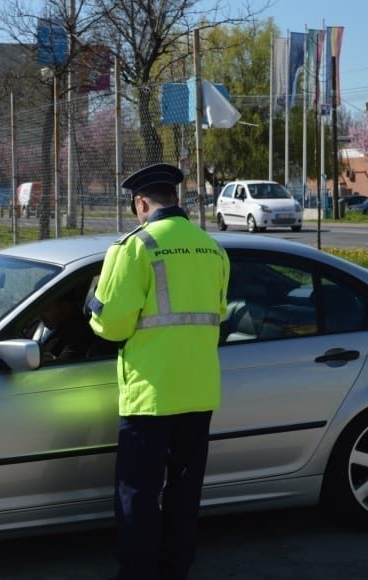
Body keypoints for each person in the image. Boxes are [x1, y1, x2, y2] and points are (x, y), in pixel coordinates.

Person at [87, 163, 230, 580]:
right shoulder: (212, 248)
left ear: (141, 203)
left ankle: (137, 573)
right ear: (175, 200)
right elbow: (217, 313)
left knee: (138, 495)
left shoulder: (134, 248)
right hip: (199, 393)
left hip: (150, 398)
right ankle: (176, 569)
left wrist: (92, 305)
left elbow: (111, 326)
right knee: (185, 494)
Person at [38, 290, 94, 362]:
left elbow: (62, 367)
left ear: (66, 305)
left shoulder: (79, 333)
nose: (40, 315)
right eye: (40, 308)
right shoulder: (36, 322)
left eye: (45, 308)